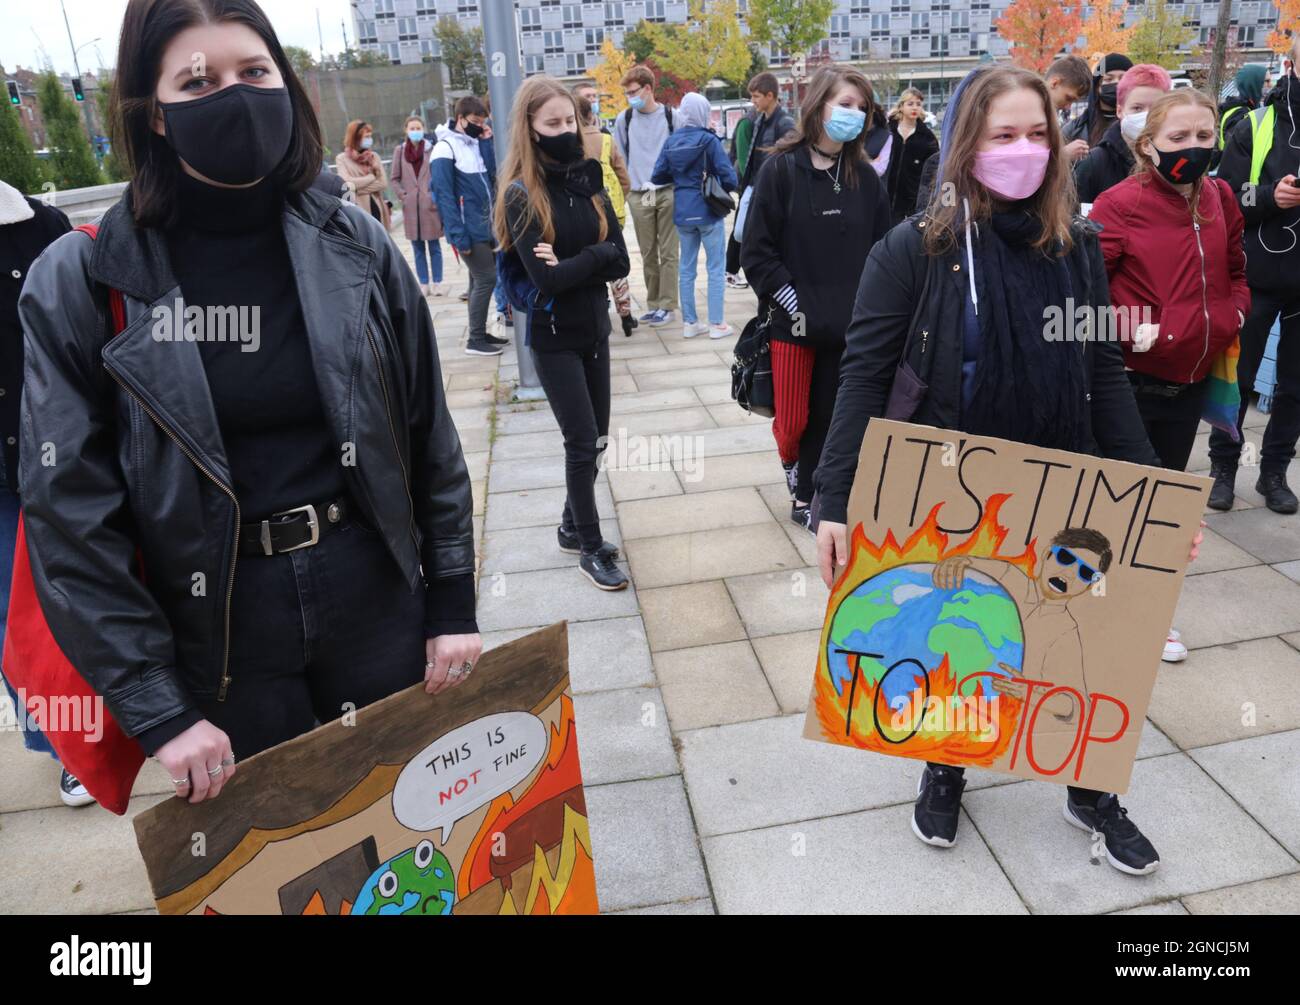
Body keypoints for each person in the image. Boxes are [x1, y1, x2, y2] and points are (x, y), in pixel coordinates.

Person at [16, 0, 480, 804]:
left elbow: (427, 433)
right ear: (153, 114)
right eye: (196, 81)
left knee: (411, 840)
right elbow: (69, 516)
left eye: (252, 72)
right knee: (286, 858)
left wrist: (453, 599)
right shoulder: (83, 279)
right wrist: (158, 709)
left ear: (284, 82)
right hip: (220, 634)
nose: (232, 94)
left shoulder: (353, 240)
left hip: (375, 600)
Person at [814, 66, 1183, 876]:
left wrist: (1157, 493)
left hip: (1069, 481)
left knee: (1078, 641)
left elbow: (1105, 372)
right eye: (1002, 135)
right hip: (961, 489)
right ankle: (946, 762)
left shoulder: (1076, 247)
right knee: (963, 633)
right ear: (964, 144)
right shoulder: (915, 250)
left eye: (1037, 134)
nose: (1023, 150)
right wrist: (833, 500)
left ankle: (1090, 787)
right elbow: (863, 378)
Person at [1091, 89, 1249, 663]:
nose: (1193, 148)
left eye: (1204, 137)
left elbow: (1235, 269)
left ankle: (1150, 616)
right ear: (1147, 143)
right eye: (1178, 138)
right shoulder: (1118, 202)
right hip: (1130, 383)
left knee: (1165, 505)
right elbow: (1086, 294)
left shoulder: (1222, 196)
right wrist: (1133, 326)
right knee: (1119, 504)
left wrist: (1230, 316)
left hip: (1192, 382)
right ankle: (1097, 612)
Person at [741, 65, 892, 532]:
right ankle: (796, 475)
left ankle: (814, 494)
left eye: (862, 108)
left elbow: (885, 248)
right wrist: (793, 302)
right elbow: (757, 251)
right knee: (793, 421)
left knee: (835, 416)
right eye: (845, 103)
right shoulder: (781, 170)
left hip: (853, 326)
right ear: (819, 103)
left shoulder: (865, 178)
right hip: (796, 324)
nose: (854, 114)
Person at [496, 76, 631, 591]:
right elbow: (545, 280)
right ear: (529, 128)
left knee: (596, 439)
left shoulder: (589, 176)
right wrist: (593, 260)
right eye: (551, 123)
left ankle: (572, 526)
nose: (563, 130)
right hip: (554, 338)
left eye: (569, 120)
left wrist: (585, 259)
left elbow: (619, 256)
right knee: (580, 442)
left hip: (595, 327)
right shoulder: (521, 195)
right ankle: (590, 548)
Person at [0, 179, 95, 808]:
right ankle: (63, 744)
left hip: (54, 450)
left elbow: (82, 332)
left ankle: (105, 720)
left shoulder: (42, 225)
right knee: (9, 618)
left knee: (76, 599)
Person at [1208, 38, 1300, 514]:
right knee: (1238, 379)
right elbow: (1225, 196)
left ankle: (1273, 473)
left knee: (1295, 386)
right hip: (1257, 276)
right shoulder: (1256, 123)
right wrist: (1271, 197)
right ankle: (1223, 468)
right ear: (1293, 61)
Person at [651, 92, 738, 341]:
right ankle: (716, 324)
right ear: (703, 112)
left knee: (686, 269)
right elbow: (730, 178)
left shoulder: (671, 141)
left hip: (682, 212)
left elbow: (657, 176)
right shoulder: (709, 141)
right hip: (708, 212)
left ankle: (690, 323)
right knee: (715, 268)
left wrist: (680, 179)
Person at [432, 96, 504, 356]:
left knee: (478, 280)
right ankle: (475, 340)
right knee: (487, 278)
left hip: (485, 224)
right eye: (474, 121)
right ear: (460, 118)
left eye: (482, 122)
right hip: (467, 227)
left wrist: (485, 141)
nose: (478, 125)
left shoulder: (473, 143)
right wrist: (457, 234)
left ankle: (479, 332)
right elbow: (443, 195)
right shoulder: (445, 147)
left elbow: (494, 175)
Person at [615, 65, 678, 327]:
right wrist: (628, 191)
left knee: (669, 251)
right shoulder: (624, 119)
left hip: (667, 191)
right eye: (627, 93)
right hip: (641, 193)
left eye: (634, 91)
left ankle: (668, 305)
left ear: (648, 88)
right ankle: (654, 305)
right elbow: (618, 157)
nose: (630, 97)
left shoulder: (672, 116)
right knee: (648, 251)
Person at [728, 72, 797, 287]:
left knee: (762, 238)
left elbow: (790, 162)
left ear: (770, 95)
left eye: (757, 96)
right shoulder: (758, 120)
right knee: (742, 233)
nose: (753, 101)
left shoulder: (784, 123)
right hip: (754, 188)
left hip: (771, 192)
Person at [576, 91, 636, 338]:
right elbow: (624, 178)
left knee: (589, 260)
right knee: (614, 259)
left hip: (581, 213)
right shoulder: (605, 140)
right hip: (610, 208)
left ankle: (599, 309)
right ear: (590, 115)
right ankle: (626, 314)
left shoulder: (570, 142)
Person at [1074, 64, 1172, 207]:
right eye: (1137, 108)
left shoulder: (1174, 159)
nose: (1147, 116)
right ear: (1120, 111)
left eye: (1156, 108)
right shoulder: (1094, 164)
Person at [390, 115, 446, 297]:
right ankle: (423, 283)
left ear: (423, 129)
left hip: (429, 205)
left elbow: (438, 176)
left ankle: (437, 282)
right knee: (418, 248)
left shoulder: (432, 149)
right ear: (406, 130)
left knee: (434, 246)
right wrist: (403, 196)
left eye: (418, 128)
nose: (415, 131)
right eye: (411, 128)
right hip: (411, 207)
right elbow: (394, 178)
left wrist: (433, 195)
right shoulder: (400, 151)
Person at [886, 87, 939, 225]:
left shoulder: (927, 137)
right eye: (910, 104)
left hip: (913, 199)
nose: (915, 107)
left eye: (918, 104)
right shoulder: (888, 131)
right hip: (886, 195)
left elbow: (934, 167)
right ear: (901, 106)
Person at [1063, 53, 1133, 149]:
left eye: (1123, 79)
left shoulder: (1141, 123)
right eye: (1108, 79)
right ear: (1097, 86)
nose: (1116, 83)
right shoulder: (1074, 129)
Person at [334, 119, 391, 230]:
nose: (369, 139)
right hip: (358, 209)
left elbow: (383, 184)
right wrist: (372, 177)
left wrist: (357, 189)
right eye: (366, 136)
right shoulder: (342, 158)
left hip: (377, 207)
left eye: (370, 136)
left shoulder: (374, 157)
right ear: (355, 138)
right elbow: (347, 183)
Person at [1214, 63, 1267, 169]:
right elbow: (1236, 151)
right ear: (1253, 83)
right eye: (1266, 81)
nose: (1270, 85)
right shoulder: (1242, 113)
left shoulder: (1243, 107)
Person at [1044, 55, 1094, 163]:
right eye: (1068, 98)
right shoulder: (1028, 112)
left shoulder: (1046, 113)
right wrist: (1064, 155)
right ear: (1055, 83)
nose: (1068, 106)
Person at [725, 108, 754, 288]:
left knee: (743, 226)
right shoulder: (748, 121)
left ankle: (732, 270)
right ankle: (730, 270)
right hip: (749, 183)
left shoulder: (766, 120)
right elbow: (743, 159)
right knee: (740, 227)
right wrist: (752, 183)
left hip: (754, 182)